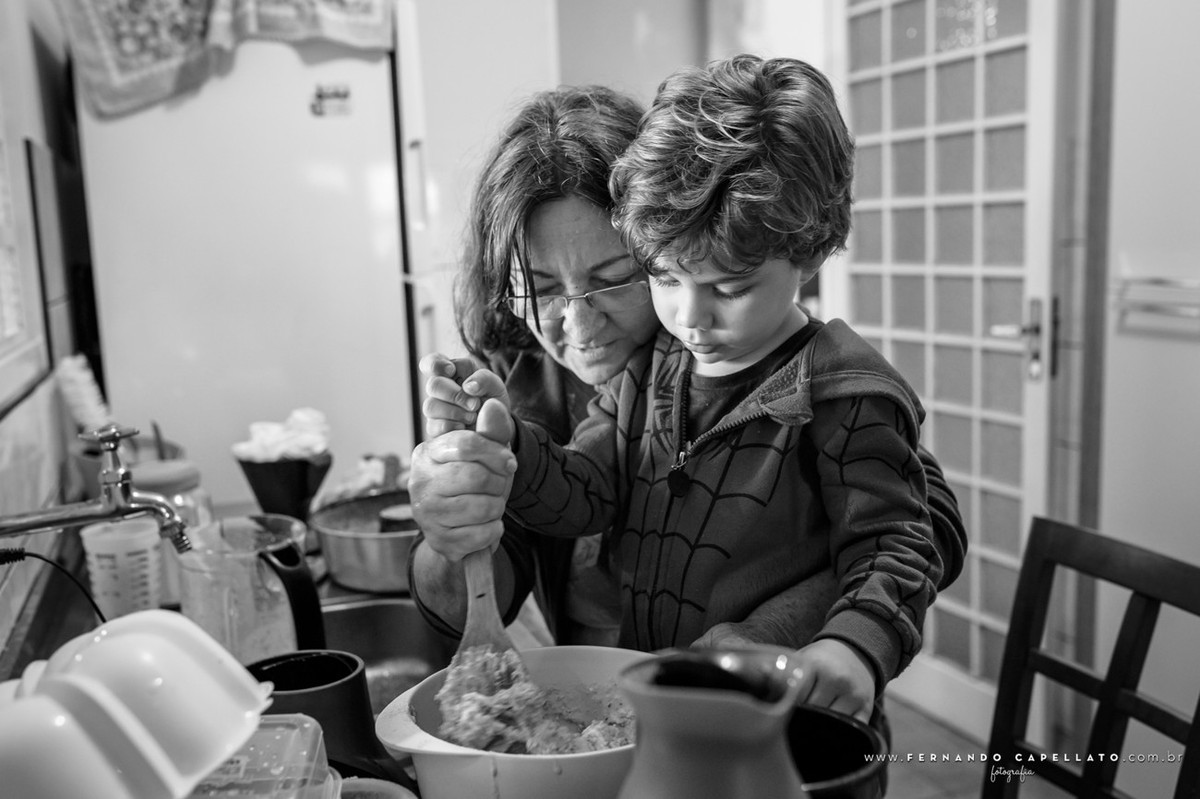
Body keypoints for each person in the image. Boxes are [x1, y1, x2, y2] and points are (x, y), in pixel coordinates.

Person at [413, 56, 964, 728]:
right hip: (648, 727)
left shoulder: (842, 388)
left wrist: (844, 641)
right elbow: (583, 490)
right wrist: (502, 456)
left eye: (616, 276)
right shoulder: (642, 370)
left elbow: (912, 530)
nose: (693, 317)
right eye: (668, 279)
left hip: (777, 726)